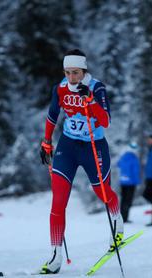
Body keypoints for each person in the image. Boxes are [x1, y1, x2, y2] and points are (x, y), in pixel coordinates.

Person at [39, 49, 123, 274]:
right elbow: (52, 114)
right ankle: (55, 255)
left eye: (75, 72)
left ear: (84, 70)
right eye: (67, 72)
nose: (71, 77)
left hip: (92, 146)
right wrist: (46, 141)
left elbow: (105, 120)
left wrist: (90, 100)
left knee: (102, 192)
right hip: (68, 146)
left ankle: (117, 219)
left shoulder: (96, 87)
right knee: (58, 201)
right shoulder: (61, 88)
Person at [117, 141, 141, 223]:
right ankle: (125, 218)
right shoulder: (134, 158)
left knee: (123, 200)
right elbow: (135, 171)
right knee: (128, 200)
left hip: (123, 181)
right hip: (131, 183)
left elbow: (118, 165)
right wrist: (137, 182)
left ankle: (121, 217)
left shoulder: (123, 156)